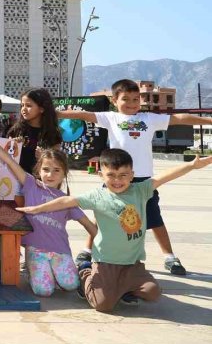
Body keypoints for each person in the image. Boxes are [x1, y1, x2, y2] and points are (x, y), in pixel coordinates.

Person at [18, 148, 212, 311]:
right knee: (103, 305)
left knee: (152, 293)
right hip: (106, 262)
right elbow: (66, 201)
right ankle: (85, 272)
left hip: (133, 264)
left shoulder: (141, 190)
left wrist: (192, 165)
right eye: (111, 175)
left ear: (132, 175)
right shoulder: (97, 196)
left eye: (123, 175)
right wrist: (37, 209)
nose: (117, 180)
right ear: (101, 175)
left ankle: (124, 287)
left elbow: (165, 177)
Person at [59, 78, 212, 276]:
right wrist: (56, 113)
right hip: (115, 179)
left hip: (143, 181)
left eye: (135, 99)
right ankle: (87, 251)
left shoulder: (150, 118)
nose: (131, 103)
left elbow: (180, 118)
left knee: (154, 218)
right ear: (114, 100)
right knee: (103, 216)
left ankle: (170, 257)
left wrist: (209, 120)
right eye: (126, 99)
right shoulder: (110, 118)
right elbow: (83, 114)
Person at [0, 129, 97, 296]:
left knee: (70, 284)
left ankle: (80, 267)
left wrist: (108, 249)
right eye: (46, 169)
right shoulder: (31, 185)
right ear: (39, 171)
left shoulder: (66, 200)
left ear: (64, 173)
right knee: (44, 291)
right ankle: (34, 271)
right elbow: (9, 161)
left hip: (60, 250)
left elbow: (88, 225)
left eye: (56, 170)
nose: (50, 174)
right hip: (36, 251)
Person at [6, 88, 62, 175]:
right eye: (22, 105)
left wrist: (44, 157)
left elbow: (57, 163)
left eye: (28, 106)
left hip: (40, 181)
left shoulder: (53, 134)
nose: (23, 109)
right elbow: (6, 155)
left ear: (42, 108)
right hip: (15, 178)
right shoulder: (16, 130)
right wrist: (13, 145)